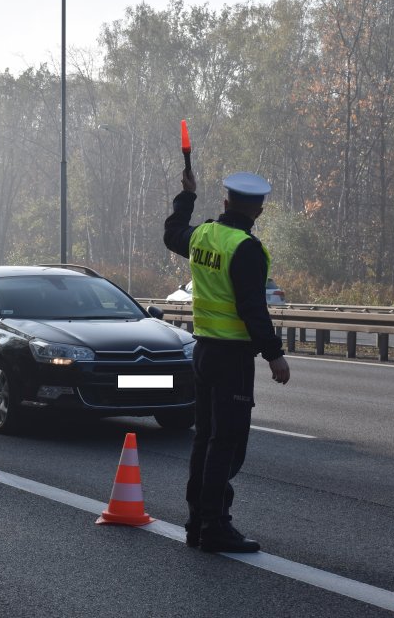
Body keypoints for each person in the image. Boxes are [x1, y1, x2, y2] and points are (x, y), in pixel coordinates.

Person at [164, 167, 290, 553]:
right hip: (232, 357)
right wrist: (275, 356)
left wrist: (186, 197)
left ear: (225, 202)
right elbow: (253, 308)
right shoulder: (245, 249)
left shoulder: (203, 235)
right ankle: (215, 525)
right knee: (228, 444)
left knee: (205, 439)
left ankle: (197, 521)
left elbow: (172, 235)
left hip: (202, 352)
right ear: (260, 211)